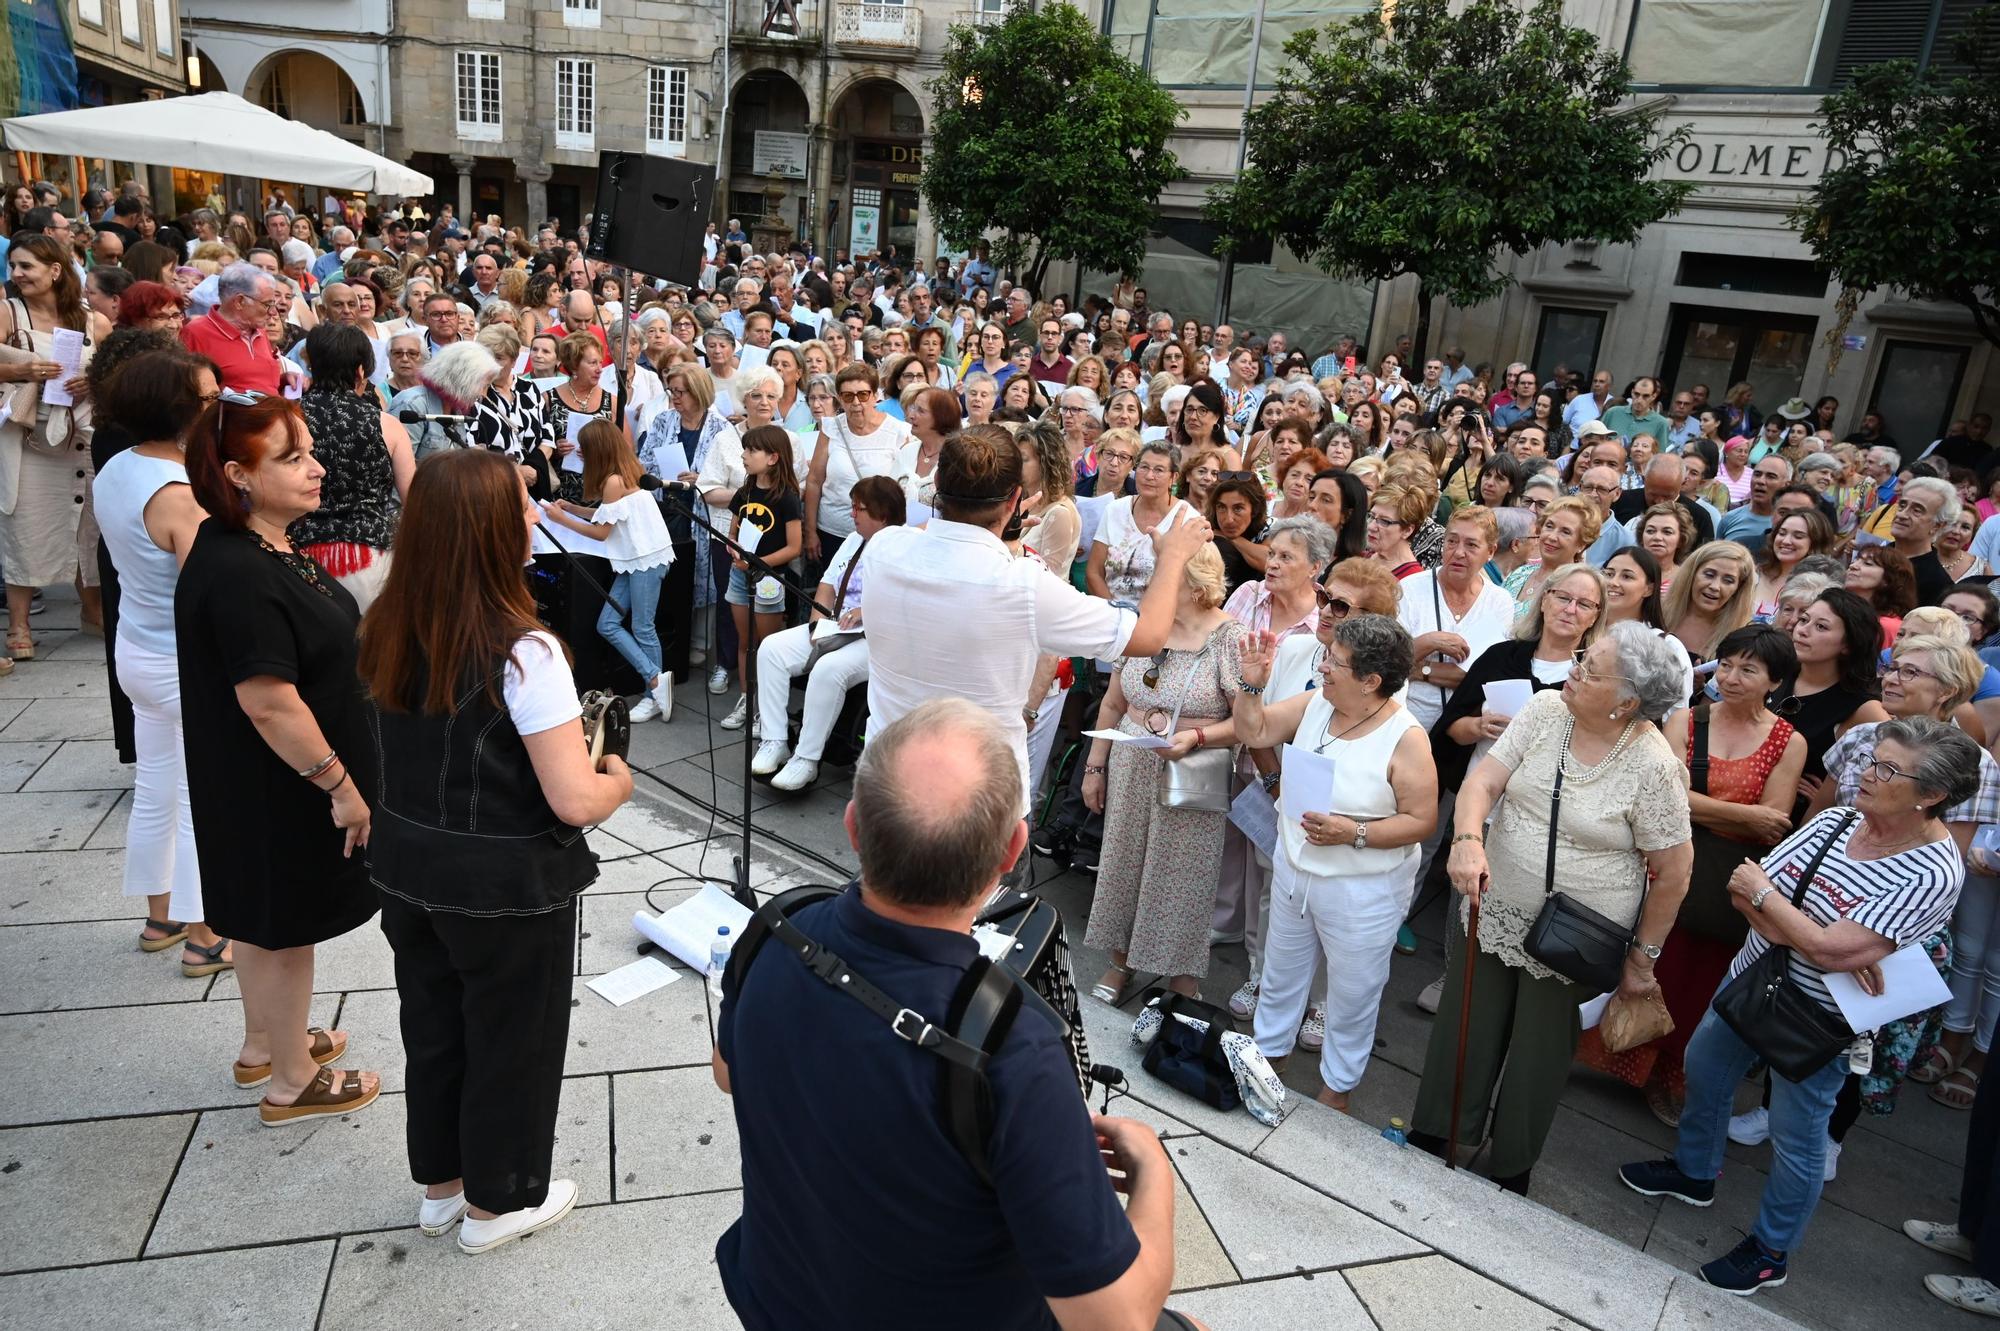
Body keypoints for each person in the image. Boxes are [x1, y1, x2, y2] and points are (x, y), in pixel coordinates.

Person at [715, 698, 1208, 1330]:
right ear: (1012, 852)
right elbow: (1117, 1322)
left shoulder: (777, 926)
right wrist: (1153, 1171)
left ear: (852, 826)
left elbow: (729, 1073)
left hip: (781, 1297)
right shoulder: (1011, 1047)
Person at [359, 449, 632, 1254]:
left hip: (409, 864)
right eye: (521, 505)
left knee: (435, 1024)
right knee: (514, 1036)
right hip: (504, 880)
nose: (534, 515)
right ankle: (497, 1203)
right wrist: (616, 776)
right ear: (485, 528)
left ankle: (443, 1188)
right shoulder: (526, 651)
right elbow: (574, 798)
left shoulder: (385, 618)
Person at [1620, 716, 1975, 1295]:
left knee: (1798, 1136)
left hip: (1822, 1023)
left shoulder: (1935, 871)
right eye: (1872, 758)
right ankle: (1693, 1172)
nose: (1864, 773)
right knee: (1706, 1074)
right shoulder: (1837, 820)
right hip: (1752, 984)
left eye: (1886, 769)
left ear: (1931, 796)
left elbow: (1820, 941)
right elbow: (1742, 886)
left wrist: (1793, 918)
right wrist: (1815, 934)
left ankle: (1771, 1251)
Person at [1412, 623, 1695, 1193]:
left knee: (1540, 1054)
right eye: (1584, 657)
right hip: (1492, 902)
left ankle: (1510, 1167)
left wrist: (1641, 962)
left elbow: (1675, 873)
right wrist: (1467, 841)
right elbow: (1482, 785)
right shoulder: (1544, 711)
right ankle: (1436, 1137)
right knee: (1465, 1029)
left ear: (1628, 703)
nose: (1576, 667)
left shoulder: (1656, 767)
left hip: (1575, 935)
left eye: (1593, 668)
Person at [177, 392, 381, 1124]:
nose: (316, 468)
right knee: (284, 925)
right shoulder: (241, 568)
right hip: (278, 784)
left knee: (263, 920)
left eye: (309, 451)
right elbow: (269, 700)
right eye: (291, 458)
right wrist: (339, 784)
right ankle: (293, 1079)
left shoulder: (256, 545)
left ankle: (269, 1041)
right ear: (236, 473)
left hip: (263, 780)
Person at [858, 425, 1213, 818]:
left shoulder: (883, 547)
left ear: (938, 482)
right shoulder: (1024, 583)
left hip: (886, 780)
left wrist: (1000, 533)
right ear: (1015, 498)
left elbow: (939, 536)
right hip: (979, 799)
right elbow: (1148, 636)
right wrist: (1173, 558)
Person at [1231, 615, 1438, 1109]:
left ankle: (1335, 1092)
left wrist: (1355, 832)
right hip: (1295, 871)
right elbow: (1253, 730)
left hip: (1362, 891)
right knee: (1280, 974)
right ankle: (1267, 1061)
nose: (1322, 667)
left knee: (1352, 993)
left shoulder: (1406, 739)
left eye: (1335, 662)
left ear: (1370, 682)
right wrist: (1250, 686)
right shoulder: (1317, 704)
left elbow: (1422, 821)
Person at [1621, 626, 1805, 1127]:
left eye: (1749, 669)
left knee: (1699, 979)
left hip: (1725, 882)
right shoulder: (1686, 717)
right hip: (1665, 859)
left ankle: (1670, 1078)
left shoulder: (1789, 742)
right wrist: (1740, 816)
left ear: (1776, 680)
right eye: (1725, 664)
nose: (1731, 677)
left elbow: (1777, 821)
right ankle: (1622, 1059)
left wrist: (1697, 807)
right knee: (1647, 960)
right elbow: (1662, 793)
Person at [94, 350, 232, 973]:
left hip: (140, 650)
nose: (216, 408)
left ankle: (163, 915)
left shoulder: (119, 466)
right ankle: (205, 934)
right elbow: (210, 589)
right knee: (200, 793)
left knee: (158, 786)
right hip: (179, 661)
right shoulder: (176, 492)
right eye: (206, 400)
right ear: (175, 409)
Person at [1081, 544, 1244, 1001]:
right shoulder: (1145, 628)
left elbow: (1246, 723)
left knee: (1182, 876)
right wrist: (1095, 767)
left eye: (1165, 579)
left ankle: (1181, 980)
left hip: (1191, 767)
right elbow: (1113, 703)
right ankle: (1120, 962)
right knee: (1123, 860)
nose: (1154, 587)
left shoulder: (1230, 639)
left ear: (1195, 589)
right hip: (1132, 759)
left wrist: (1198, 737)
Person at [750, 476, 905, 792]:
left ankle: (806, 759)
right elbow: (827, 586)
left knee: (828, 669)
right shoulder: (853, 540)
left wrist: (866, 611)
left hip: (875, 639)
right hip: (837, 627)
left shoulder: (905, 549)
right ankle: (774, 740)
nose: (852, 514)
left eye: (859, 509)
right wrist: (818, 623)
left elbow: (905, 603)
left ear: (883, 514)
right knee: (771, 649)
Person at [1, 233, 111, 658]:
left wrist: (94, 381)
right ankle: (19, 625)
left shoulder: (93, 321)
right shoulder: (8, 312)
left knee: (89, 525)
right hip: (28, 438)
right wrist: (26, 370)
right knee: (27, 523)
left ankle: (92, 611)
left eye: (26, 266)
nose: (16, 274)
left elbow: (117, 370)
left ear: (55, 270)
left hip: (82, 438)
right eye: (13, 266)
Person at [541, 420, 679, 723]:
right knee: (608, 624)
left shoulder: (613, 480)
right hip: (637, 558)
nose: (581, 453)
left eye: (585, 447)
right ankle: (656, 682)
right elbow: (608, 515)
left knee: (642, 627)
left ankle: (653, 689)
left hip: (645, 558)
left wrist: (558, 519)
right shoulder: (624, 473)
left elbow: (602, 532)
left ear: (598, 449)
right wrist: (571, 509)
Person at [295, 324, 415, 609]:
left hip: (296, 555)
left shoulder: (287, 419)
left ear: (311, 364)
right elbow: (414, 498)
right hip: (367, 557)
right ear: (361, 371)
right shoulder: (387, 425)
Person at [716, 425, 805, 732]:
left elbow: (794, 547)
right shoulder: (744, 493)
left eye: (751, 450)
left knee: (767, 646)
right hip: (739, 576)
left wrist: (757, 563)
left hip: (769, 580)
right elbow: (733, 530)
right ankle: (747, 699)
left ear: (772, 458)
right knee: (745, 642)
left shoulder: (788, 498)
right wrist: (732, 547)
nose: (744, 455)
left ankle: (768, 708)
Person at [1663, 541, 1758, 663]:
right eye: (1709, 575)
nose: (1715, 586)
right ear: (1692, 574)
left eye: (1728, 581)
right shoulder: (1657, 612)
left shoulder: (1745, 636)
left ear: (1738, 588)